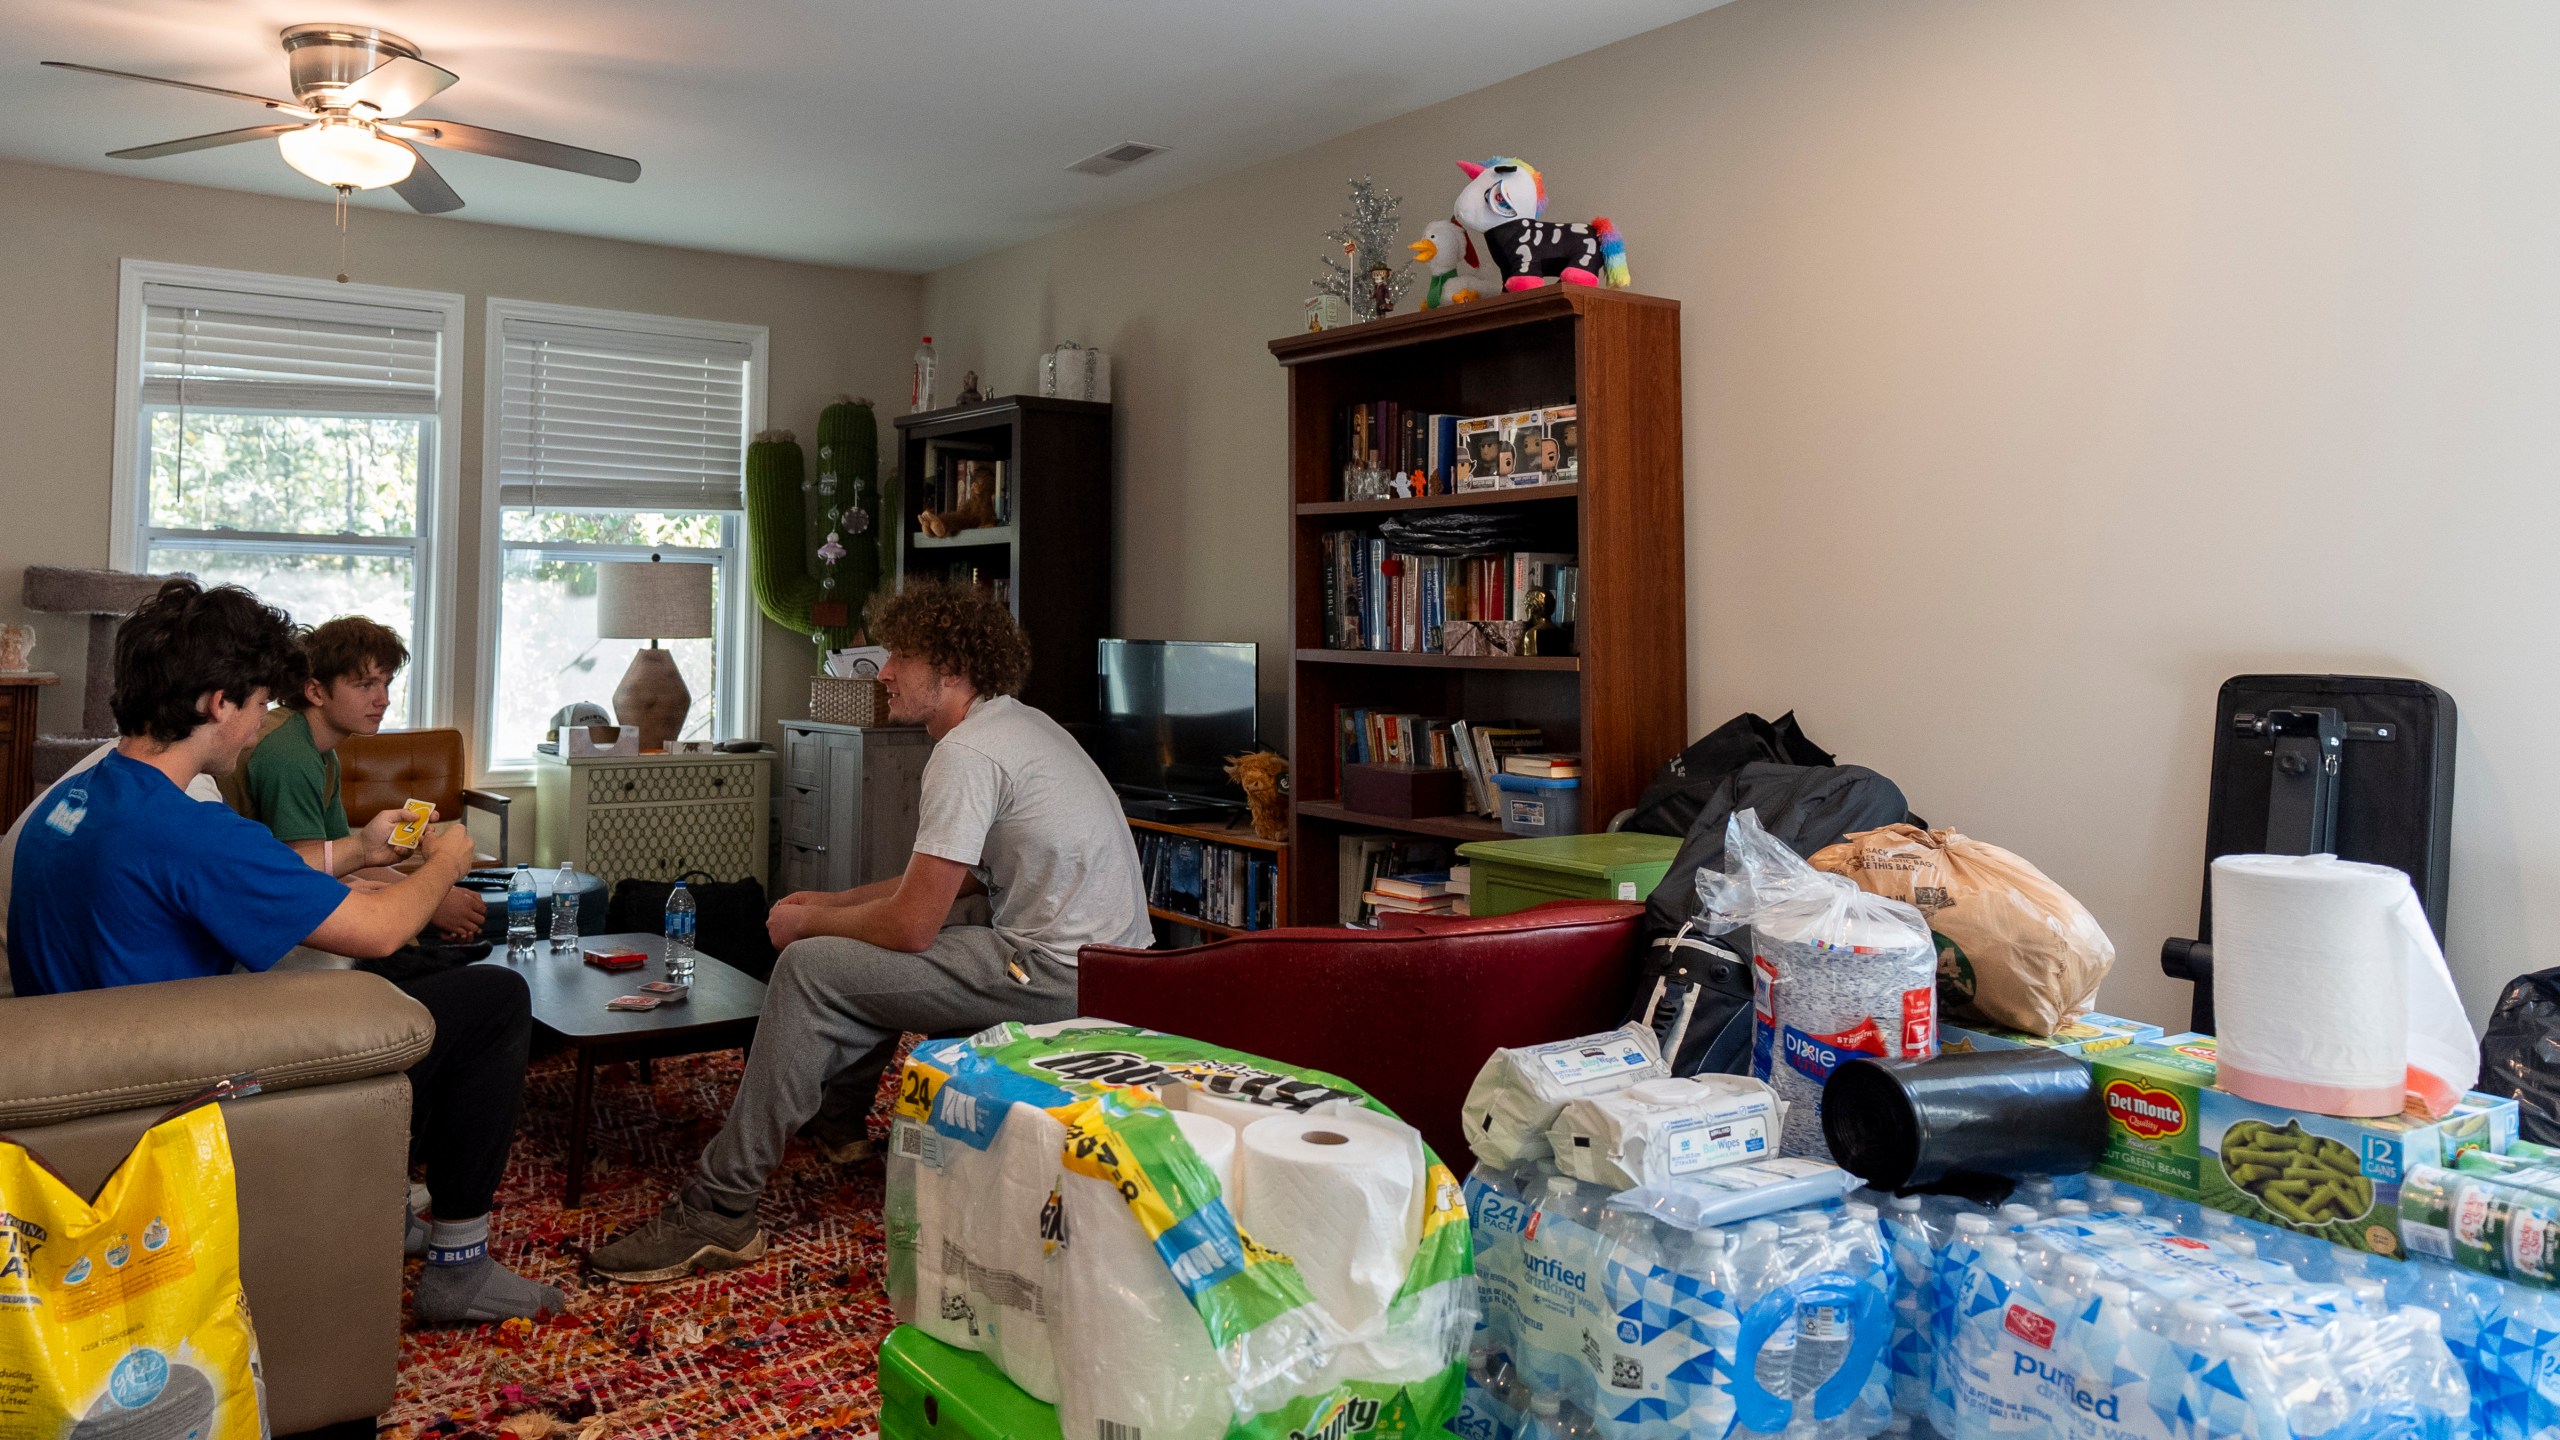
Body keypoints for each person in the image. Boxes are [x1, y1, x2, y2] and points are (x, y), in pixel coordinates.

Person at [6, 579, 562, 1324]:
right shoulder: (190, 830)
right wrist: (446, 863)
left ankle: (390, 1207)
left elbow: (234, 875)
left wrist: (359, 849)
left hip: (89, 1073)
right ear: (219, 703)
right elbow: (378, 929)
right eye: (262, 704)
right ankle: (460, 1264)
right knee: (492, 1000)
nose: (263, 726)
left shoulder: (79, 799)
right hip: (183, 1092)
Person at [588, 578, 1151, 1283]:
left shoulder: (970, 753)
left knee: (812, 966)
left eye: (902, 656)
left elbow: (912, 926)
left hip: (1060, 978)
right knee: (853, 945)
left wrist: (809, 924)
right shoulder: (1018, 726)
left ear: (952, 668)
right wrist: (833, 902)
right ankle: (840, 1128)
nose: (884, 672)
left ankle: (719, 1209)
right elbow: (955, 881)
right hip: (1106, 969)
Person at [222, 614, 485, 940]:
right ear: (316, 692)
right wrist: (432, 903)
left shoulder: (322, 750)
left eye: (386, 683)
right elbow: (311, 872)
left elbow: (345, 859)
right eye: (365, 685)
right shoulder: (289, 751)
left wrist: (433, 896)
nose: (383, 699)